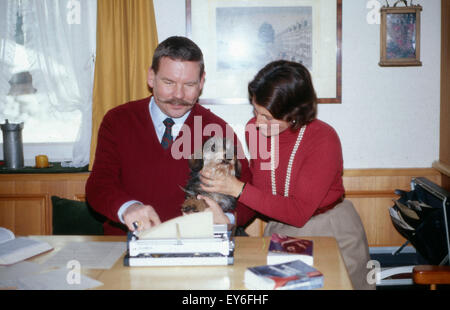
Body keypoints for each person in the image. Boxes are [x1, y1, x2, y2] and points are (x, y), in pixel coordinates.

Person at [199, 60, 375, 290]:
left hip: (330, 230)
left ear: (294, 114)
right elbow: (261, 191)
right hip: (280, 229)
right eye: (255, 111)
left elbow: (299, 212)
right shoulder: (256, 130)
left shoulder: (323, 139)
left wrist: (236, 188)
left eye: (268, 117)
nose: (257, 122)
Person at [86, 36, 252, 235]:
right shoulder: (118, 120)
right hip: (127, 244)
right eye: (169, 82)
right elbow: (99, 185)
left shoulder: (218, 130)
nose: (178, 95)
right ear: (151, 77)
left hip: (196, 246)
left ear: (201, 82)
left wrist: (228, 219)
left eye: (189, 84)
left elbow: (249, 193)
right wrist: (127, 207)